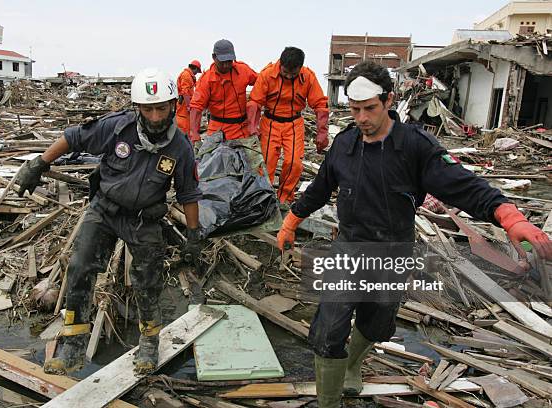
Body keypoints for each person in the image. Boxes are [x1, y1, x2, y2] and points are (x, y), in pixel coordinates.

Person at [276, 60, 552, 408]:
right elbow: (319, 188)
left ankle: (352, 365)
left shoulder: (415, 147)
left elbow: (463, 185)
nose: (361, 118)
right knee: (327, 332)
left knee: (376, 325)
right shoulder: (344, 144)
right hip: (347, 250)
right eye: (354, 109)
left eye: (370, 109)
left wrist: (508, 216)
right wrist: (290, 222)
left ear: (389, 100)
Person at [15, 68, 203, 375]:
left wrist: (193, 234)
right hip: (104, 210)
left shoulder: (180, 147)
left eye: (161, 108)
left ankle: (149, 340)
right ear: (137, 108)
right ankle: (73, 345)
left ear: (174, 104)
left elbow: (189, 192)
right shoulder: (118, 128)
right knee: (80, 268)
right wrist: (39, 163)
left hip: (145, 220)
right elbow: (74, 137)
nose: (155, 116)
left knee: (148, 281)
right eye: (148, 109)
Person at [248, 47, 329, 205]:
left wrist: (322, 133)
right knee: (266, 162)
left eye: (293, 74)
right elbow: (254, 103)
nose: (288, 76)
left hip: (294, 124)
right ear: (281, 64)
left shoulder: (308, 77)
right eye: (285, 72)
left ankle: (284, 199)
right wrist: (252, 127)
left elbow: (320, 105)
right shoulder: (267, 75)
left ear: (300, 68)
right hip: (270, 123)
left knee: (294, 163)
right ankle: (263, 199)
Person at [189, 39, 258, 142]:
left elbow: (262, 83)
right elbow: (196, 108)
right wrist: (194, 134)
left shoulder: (243, 70)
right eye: (222, 62)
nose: (226, 65)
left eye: (229, 61)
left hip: (242, 129)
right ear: (214, 57)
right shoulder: (206, 80)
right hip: (217, 131)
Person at [176, 60, 201, 134]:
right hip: (183, 106)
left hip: (184, 105)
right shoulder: (186, 75)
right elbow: (185, 92)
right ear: (195, 68)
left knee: (187, 125)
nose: (196, 74)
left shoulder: (189, 76)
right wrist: (188, 106)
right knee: (183, 125)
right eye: (197, 71)